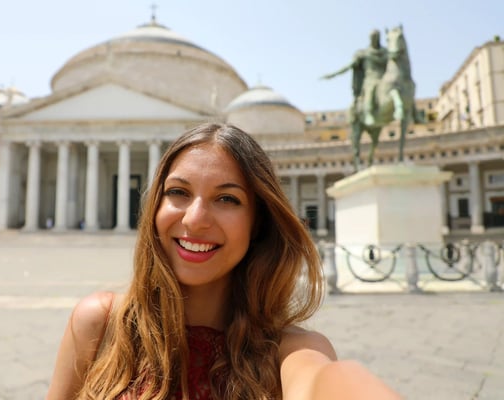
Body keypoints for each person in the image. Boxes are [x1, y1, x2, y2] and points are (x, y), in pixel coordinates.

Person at [46, 123, 401, 399]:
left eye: (227, 199)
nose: (195, 219)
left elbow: (323, 382)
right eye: (178, 193)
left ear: (257, 221)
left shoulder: (293, 351)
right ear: (155, 205)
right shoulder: (100, 322)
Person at [322, 29, 388, 126]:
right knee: (370, 89)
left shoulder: (385, 52)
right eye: (372, 37)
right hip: (371, 79)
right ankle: (368, 113)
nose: (374, 39)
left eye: (376, 37)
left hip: (384, 78)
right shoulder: (364, 53)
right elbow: (349, 66)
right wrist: (333, 74)